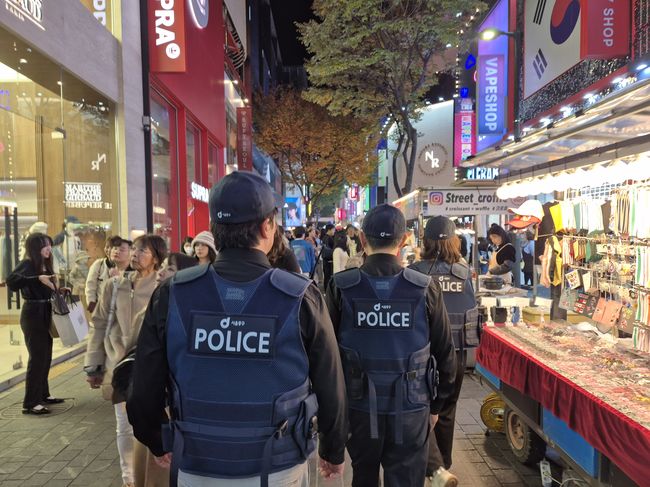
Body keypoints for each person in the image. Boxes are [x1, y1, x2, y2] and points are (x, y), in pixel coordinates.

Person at [127, 171, 348, 487]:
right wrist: (333, 449)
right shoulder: (301, 296)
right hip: (278, 466)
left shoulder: (172, 293)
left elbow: (142, 387)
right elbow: (330, 383)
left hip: (196, 462)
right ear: (267, 226)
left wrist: (157, 439)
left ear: (214, 229)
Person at [325, 204, 457, 487]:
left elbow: (326, 359)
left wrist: (331, 419)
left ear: (362, 239)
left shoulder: (341, 286)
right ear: (405, 239)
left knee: (363, 476)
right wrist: (436, 406)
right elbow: (447, 354)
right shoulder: (425, 287)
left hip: (358, 408)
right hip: (412, 407)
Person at [85, 234, 167, 487]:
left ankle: (143, 473)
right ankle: (128, 478)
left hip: (147, 365)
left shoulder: (163, 286)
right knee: (123, 425)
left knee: (144, 422)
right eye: (135, 249)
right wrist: (93, 364)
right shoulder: (114, 285)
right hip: (117, 364)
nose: (135, 254)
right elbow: (99, 325)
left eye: (143, 251)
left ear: (156, 258)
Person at [113, 252, 199, 487]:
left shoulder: (169, 310)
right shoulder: (155, 310)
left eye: (169, 268)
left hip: (164, 421)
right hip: (162, 419)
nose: (160, 273)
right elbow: (134, 363)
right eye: (162, 267)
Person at [410, 216, 479, 487]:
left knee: (418, 410)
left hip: (421, 354)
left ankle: (427, 467)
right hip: (456, 354)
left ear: (425, 241)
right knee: (447, 409)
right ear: (455, 241)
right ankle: (444, 465)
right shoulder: (463, 273)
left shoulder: (414, 273)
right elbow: (471, 314)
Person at [7, 233, 64, 415]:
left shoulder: (44, 264)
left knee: (46, 356)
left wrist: (59, 289)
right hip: (33, 314)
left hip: (45, 312)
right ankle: (31, 403)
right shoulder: (27, 263)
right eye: (45, 245)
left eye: (49, 245)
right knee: (37, 357)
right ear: (35, 248)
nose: (49, 249)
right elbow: (11, 281)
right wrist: (37, 278)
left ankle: (43, 395)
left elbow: (44, 288)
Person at [85, 236, 132, 314]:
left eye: (122, 250)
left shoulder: (134, 272)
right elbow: (90, 286)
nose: (116, 251)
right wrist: (92, 306)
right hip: (101, 311)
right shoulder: (99, 264)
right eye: (115, 248)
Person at [321, 224, 336, 288]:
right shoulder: (329, 238)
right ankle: (328, 291)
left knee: (326, 277)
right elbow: (329, 251)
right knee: (329, 277)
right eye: (333, 230)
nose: (334, 231)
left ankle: (326, 290)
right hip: (329, 261)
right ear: (329, 230)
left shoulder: (324, 237)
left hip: (325, 261)